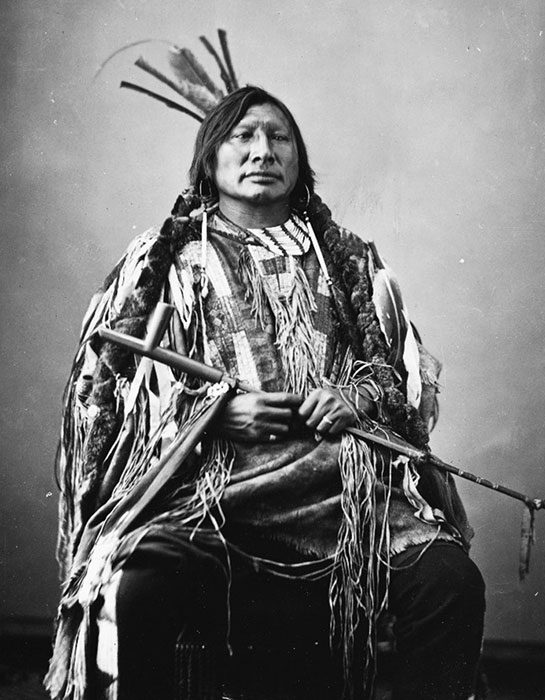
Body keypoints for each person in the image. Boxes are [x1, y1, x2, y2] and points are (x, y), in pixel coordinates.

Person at [46, 86, 485, 700]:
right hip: (213, 495)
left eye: (279, 137)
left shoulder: (351, 261)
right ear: (210, 160)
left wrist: (356, 397)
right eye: (243, 136)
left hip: (351, 499)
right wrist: (213, 414)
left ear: (300, 161)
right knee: (144, 581)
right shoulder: (165, 262)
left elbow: (402, 384)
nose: (263, 150)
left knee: (449, 583)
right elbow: (106, 396)